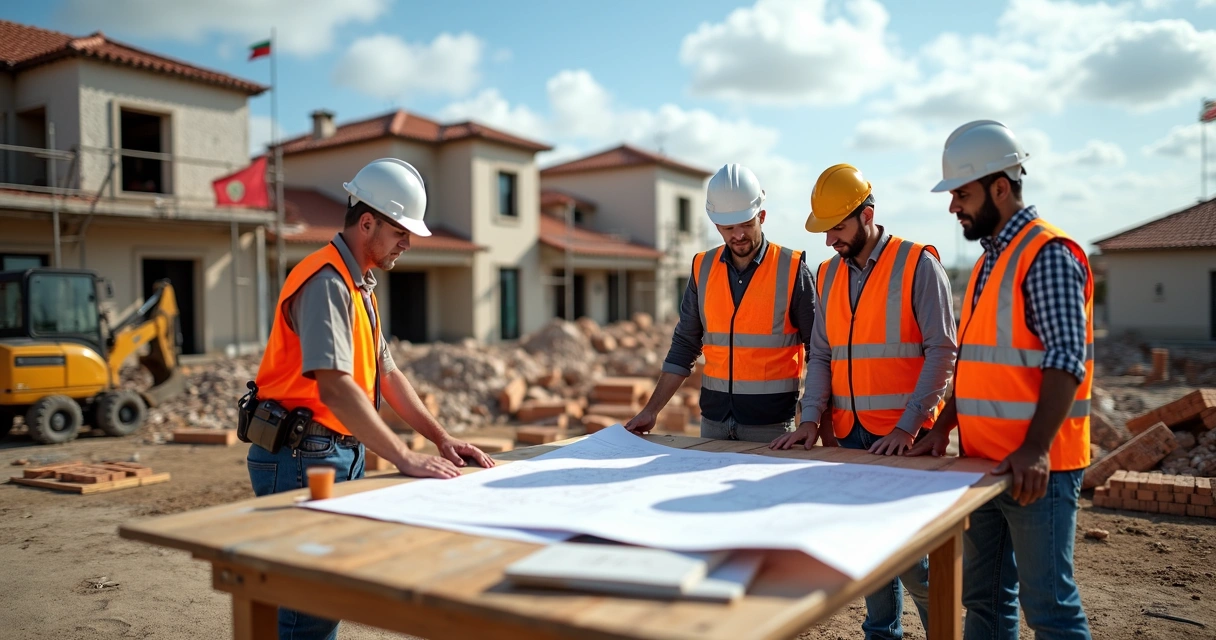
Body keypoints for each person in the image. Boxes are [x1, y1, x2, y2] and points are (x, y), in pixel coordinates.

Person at [247, 158, 495, 640]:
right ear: (367, 222)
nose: (408, 242)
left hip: (330, 451)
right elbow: (335, 387)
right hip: (301, 456)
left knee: (322, 600)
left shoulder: (358, 283)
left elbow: (388, 373)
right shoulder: (326, 282)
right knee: (309, 610)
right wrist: (404, 457)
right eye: (401, 231)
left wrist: (441, 439)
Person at [907, 120, 1094, 639]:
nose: (953, 207)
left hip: (1039, 468)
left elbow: (1066, 359)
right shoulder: (992, 259)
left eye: (961, 194)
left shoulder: (1048, 254)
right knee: (984, 601)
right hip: (985, 464)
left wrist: (1035, 448)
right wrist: (942, 428)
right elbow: (974, 365)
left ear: (1000, 188)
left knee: (1050, 608)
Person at [771, 164, 957, 640]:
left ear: (867, 215)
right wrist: (810, 419)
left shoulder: (918, 264)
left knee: (913, 563)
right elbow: (822, 353)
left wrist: (909, 426)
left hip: (903, 440)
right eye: (826, 230)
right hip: (850, 435)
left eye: (838, 227)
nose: (830, 239)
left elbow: (942, 351)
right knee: (872, 559)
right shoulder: (829, 274)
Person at [624, 163, 816, 442]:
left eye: (747, 225)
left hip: (771, 427)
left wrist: (810, 417)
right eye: (728, 228)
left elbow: (819, 352)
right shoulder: (703, 268)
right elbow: (685, 345)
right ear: (716, 225)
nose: (738, 235)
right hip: (713, 423)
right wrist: (651, 411)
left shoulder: (792, 269)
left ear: (761, 215)